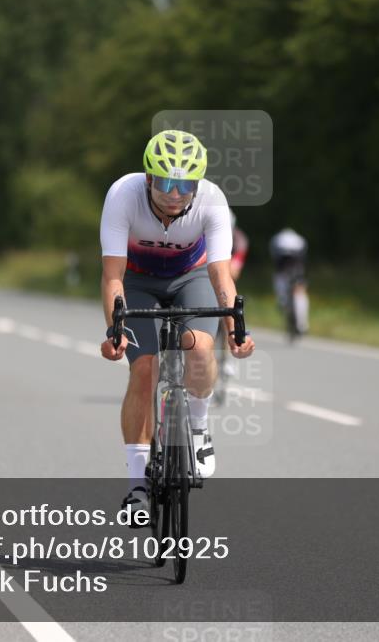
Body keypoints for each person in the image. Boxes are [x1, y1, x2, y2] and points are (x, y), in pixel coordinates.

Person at [99, 130, 256, 517]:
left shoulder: (212, 200)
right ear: (149, 178)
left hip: (193, 278)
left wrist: (236, 324)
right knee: (144, 369)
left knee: (201, 349)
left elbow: (221, 273)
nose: (175, 193)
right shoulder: (123, 195)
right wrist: (114, 330)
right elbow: (113, 276)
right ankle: (137, 485)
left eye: (186, 184)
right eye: (167, 182)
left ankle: (199, 430)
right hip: (136, 281)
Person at [218, 210, 249, 376]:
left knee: (228, 316)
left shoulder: (239, 240)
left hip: (225, 278)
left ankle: (226, 359)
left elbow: (234, 272)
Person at [269, 227, 309, 337]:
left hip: (283, 266)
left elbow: (275, 259)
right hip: (296, 264)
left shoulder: (277, 240)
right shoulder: (298, 241)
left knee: (281, 280)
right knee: (300, 290)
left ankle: (282, 300)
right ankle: (303, 324)